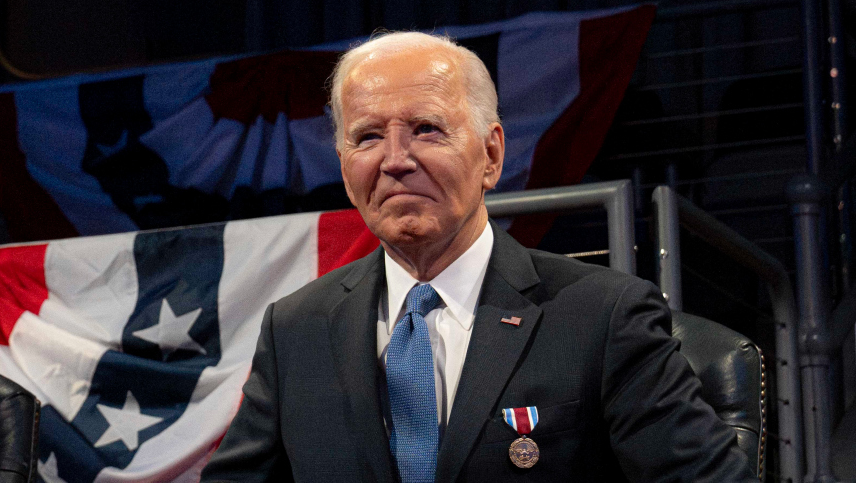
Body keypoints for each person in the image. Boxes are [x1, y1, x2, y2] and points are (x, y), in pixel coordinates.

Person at [200, 32, 755, 482]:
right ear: (346, 169)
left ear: (491, 155)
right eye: (367, 137)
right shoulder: (296, 329)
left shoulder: (604, 316)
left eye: (426, 129)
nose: (395, 160)